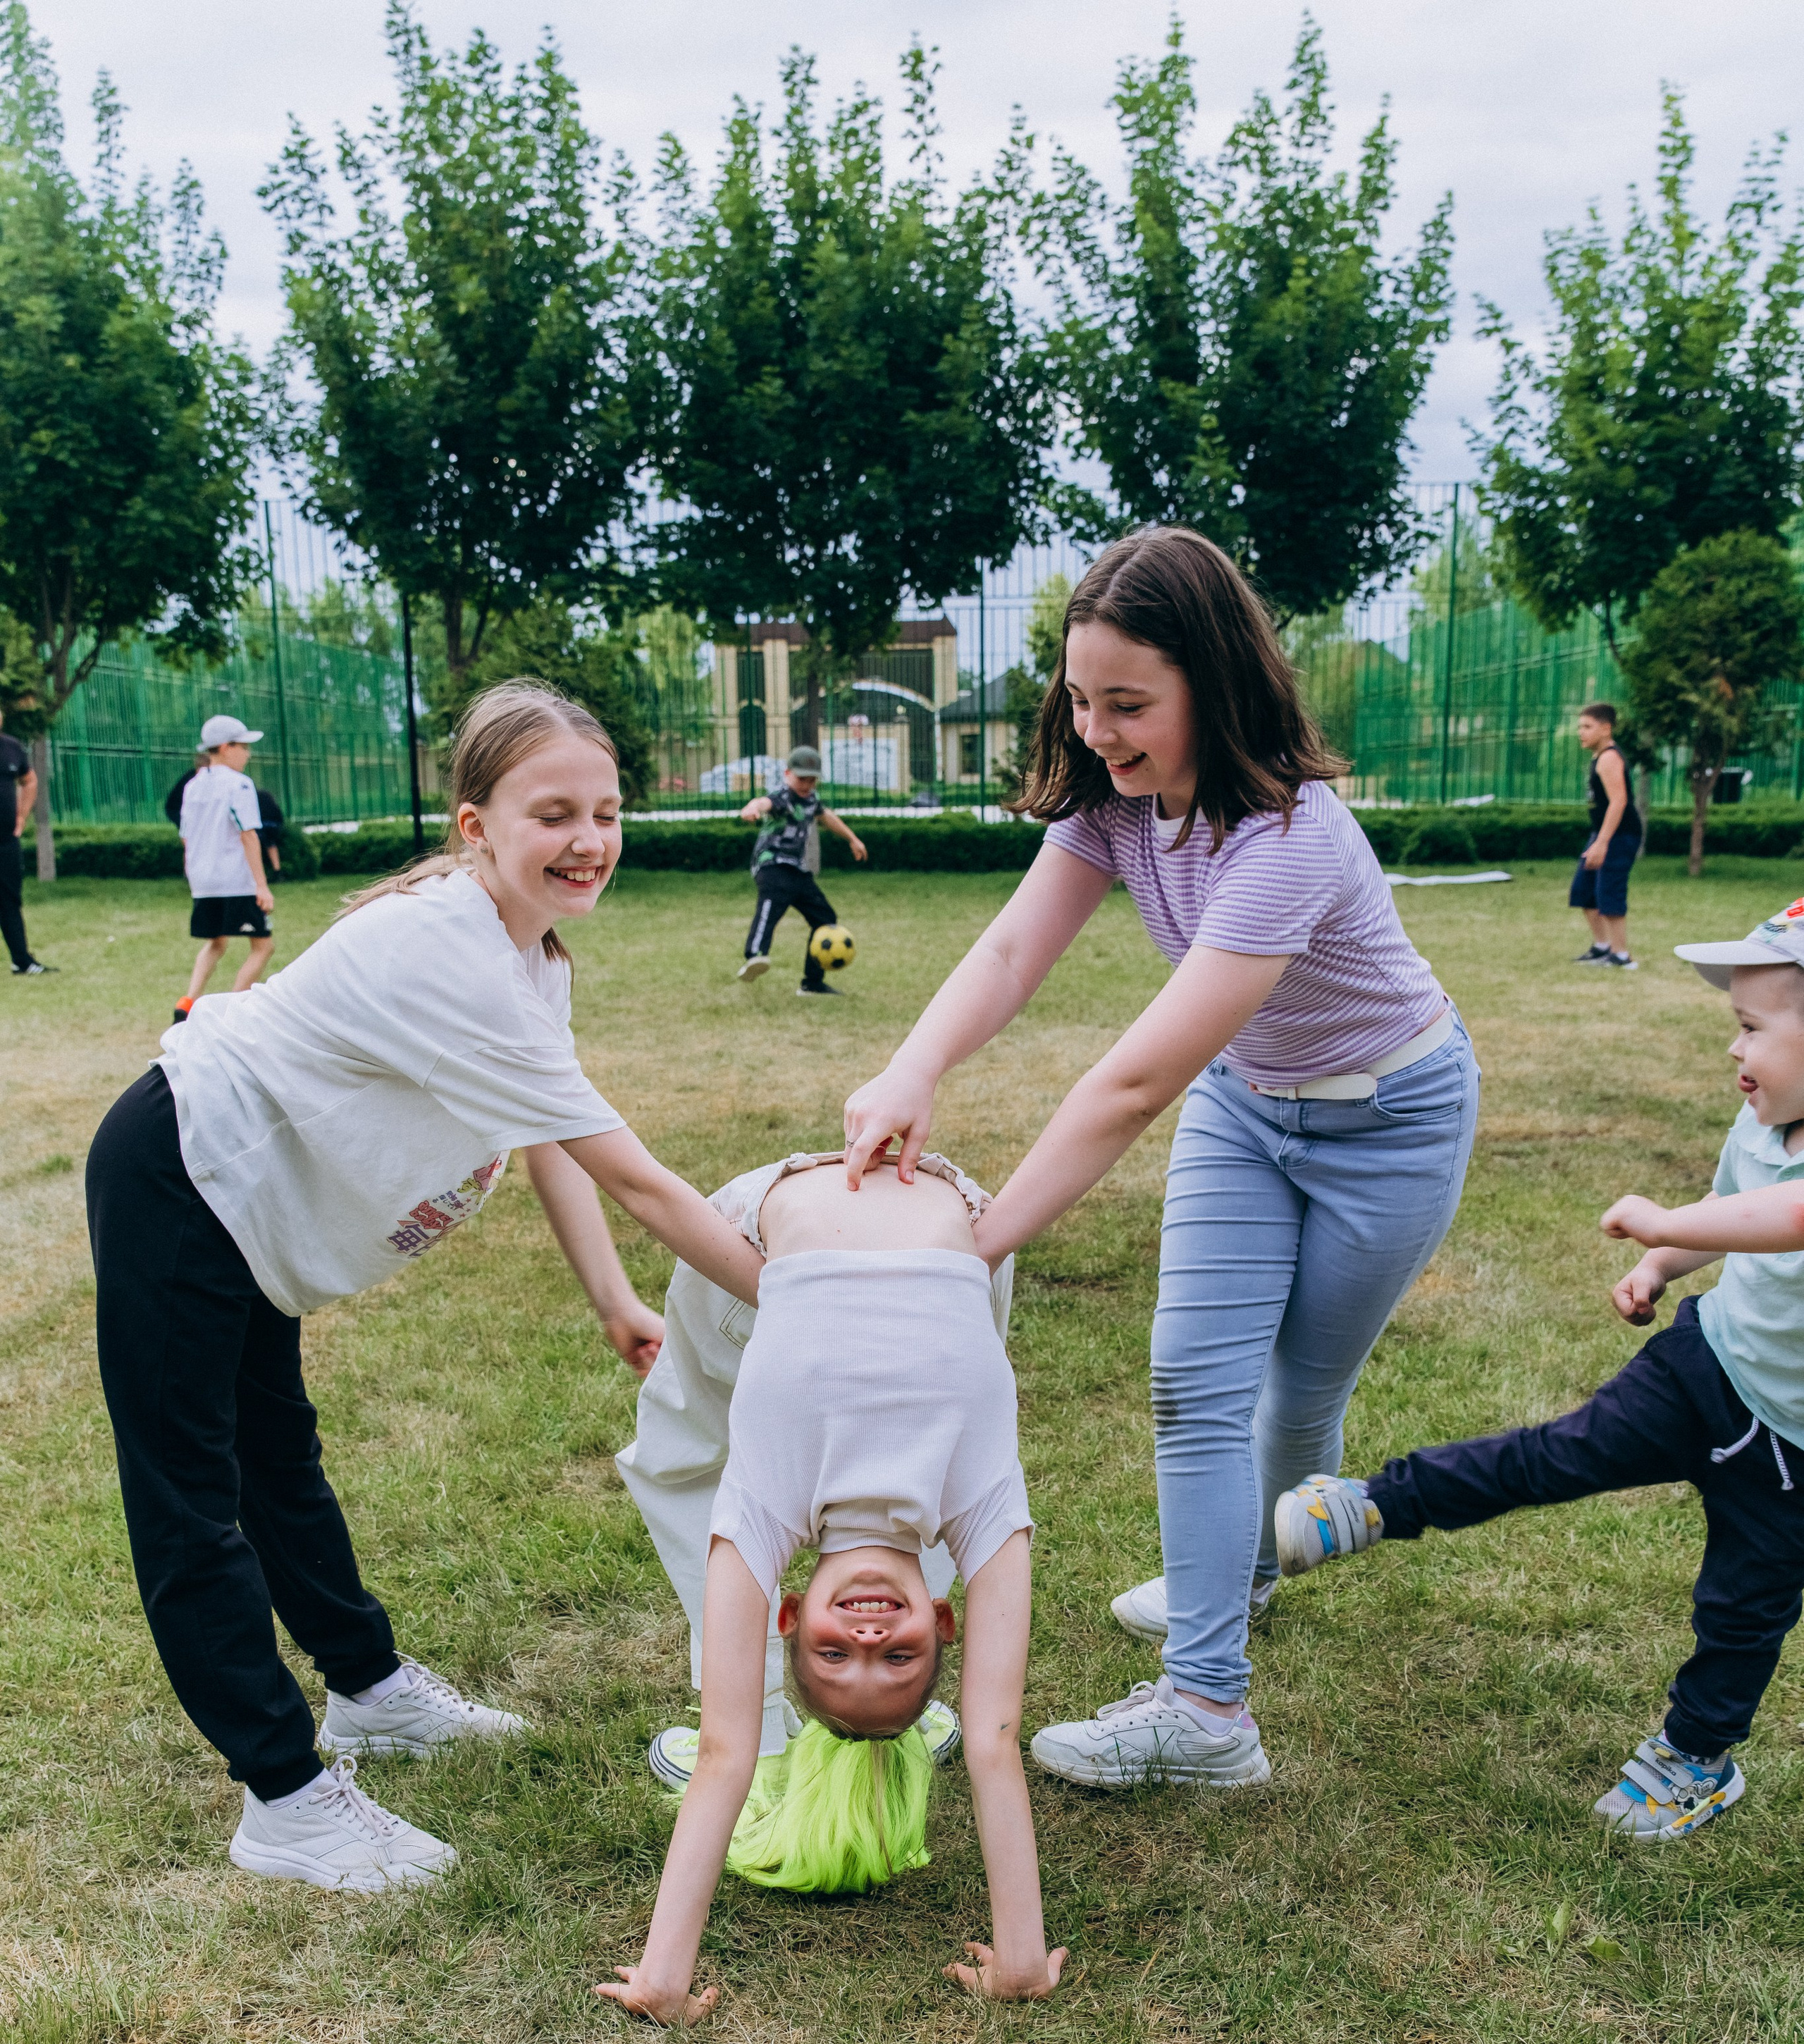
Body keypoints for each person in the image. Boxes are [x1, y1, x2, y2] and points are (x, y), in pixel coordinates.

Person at [86, 680, 765, 1896]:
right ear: (476, 827)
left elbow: (550, 1132)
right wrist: (806, 1296)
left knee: (275, 1452)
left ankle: (369, 1690)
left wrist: (613, 1301)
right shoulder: (444, 949)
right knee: (194, 1493)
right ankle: (286, 1799)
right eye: (553, 810)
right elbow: (646, 1184)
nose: (589, 839)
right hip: (188, 1171)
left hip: (245, 1207)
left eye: (607, 811)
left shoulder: (527, 962)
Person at [841, 525, 1481, 1792]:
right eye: (1080, 699)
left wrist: (981, 1238)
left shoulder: (1289, 835)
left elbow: (1132, 1083)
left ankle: (1242, 1567)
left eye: (1128, 703)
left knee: (1297, 1401)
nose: (1096, 730)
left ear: (1216, 683)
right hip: (1250, 1112)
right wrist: (912, 1065)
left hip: (1392, 1126)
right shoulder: (1111, 804)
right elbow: (1014, 952)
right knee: (1193, 1381)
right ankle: (1207, 1709)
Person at [1272, 903, 1804, 1840]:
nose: (1735, 1049)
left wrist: (1665, 1224)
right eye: (1737, 1026)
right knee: (1551, 1454)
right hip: (1705, 1366)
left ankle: (1696, 1759)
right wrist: (1661, 1266)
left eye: (1755, 1029)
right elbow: (1737, 1203)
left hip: (1789, 1453)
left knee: (1741, 1608)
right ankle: (1373, 1503)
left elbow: (1788, 1219)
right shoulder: (1762, 1125)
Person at [593, 1145, 1064, 2023]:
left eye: (834, 1653)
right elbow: (995, 1744)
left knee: (679, 1452)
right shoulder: (983, 1506)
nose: (870, 1639)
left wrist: (662, 1976)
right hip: (955, 1221)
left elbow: (727, 1752)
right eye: (898, 1659)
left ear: (792, 1610)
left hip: (774, 1224)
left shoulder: (763, 1508)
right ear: (942, 1615)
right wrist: (1022, 1958)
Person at [736, 746, 867, 995]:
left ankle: (812, 984)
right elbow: (763, 802)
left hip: (797, 869)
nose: (806, 784)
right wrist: (751, 808)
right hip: (772, 865)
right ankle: (755, 956)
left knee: (825, 919)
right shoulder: (782, 797)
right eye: (801, 779)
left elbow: (827, 817)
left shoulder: (812, 801)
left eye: (812, 780)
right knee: (770, 908)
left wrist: (853, 838)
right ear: (787, 774)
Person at [173, 717, 277, 1023]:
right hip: (236, 881)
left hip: (203, 881)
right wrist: (262, 885)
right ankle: (230, 1012)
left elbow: (186, 836)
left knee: (216, 942)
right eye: (243, 746)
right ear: (225, 747)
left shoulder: (192, 786)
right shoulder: (240, 785)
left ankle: (187, 1003)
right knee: (263, 947)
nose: (248, 754)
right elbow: (248, 835)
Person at [1569, 702, 1641, 971]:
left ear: (1606, 728)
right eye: (1580, 727)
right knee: (1584, 890)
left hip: (1619, 835)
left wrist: (1602, 843)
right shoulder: (1598, 756)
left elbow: (1619, 802)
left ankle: (1621, 956)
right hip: (1602, 833)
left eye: (1587, 727)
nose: (1581, 733)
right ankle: (1603, 947)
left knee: (1609, 892)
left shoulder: (1610, 758)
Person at [0, 727, 51, 976]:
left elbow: (29, 780)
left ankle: (22, 961)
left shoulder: (11, 747)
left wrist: (21, 817)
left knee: (9, 900)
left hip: (6, 842)